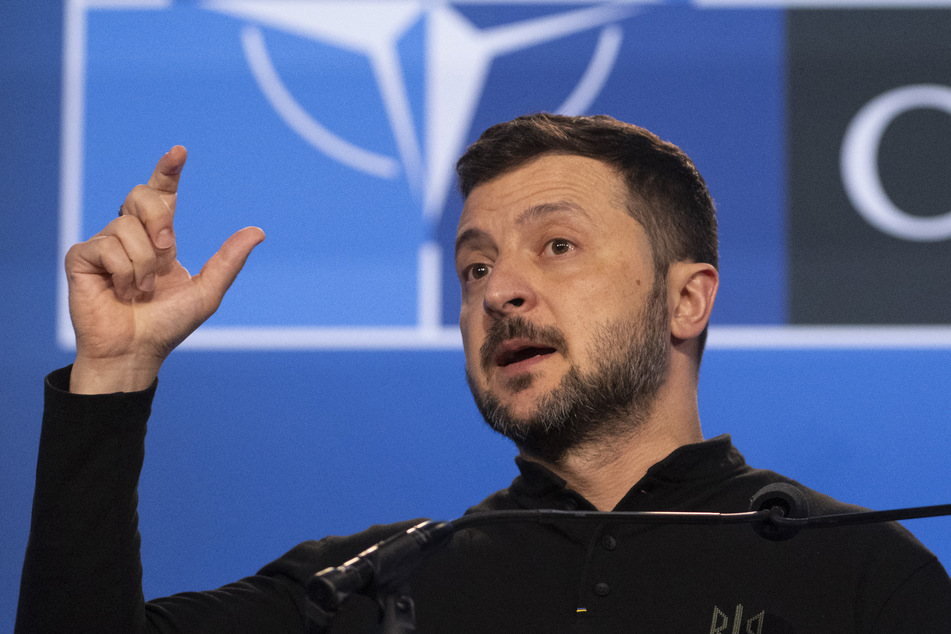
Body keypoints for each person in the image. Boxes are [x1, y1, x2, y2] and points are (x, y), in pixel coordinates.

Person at [17, 114, 951, 633]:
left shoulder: (862, 578)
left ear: (686, 301)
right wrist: (116, 370)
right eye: (473, 268)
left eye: (555, 245)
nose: (500, 288)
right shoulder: (360, 592)